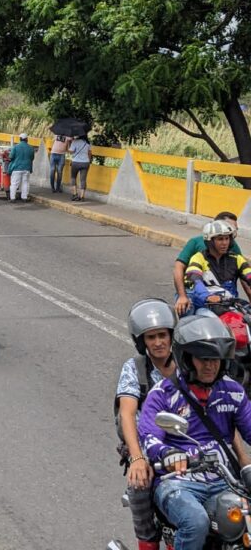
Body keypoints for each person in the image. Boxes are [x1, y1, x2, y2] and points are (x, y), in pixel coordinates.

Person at [138, 314, 251, 550]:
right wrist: (168, 453)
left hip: (225, 481)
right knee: (195, 522)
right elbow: (149, 437)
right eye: (202, 358)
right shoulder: (162, 394)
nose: (210, 365)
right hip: (178, 484)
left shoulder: (233, 392)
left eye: (215, 359)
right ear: (186, 358)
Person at [115, 299, 177, 550]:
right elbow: (127, 414)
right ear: (142, 342)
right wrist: (138, 458)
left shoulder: (188, 364)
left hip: (188, 445)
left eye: (162, 335)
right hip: (147, 448)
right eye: (151, 337)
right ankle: (147, 543)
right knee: (139, 486)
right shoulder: (135, 369)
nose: (159, 342)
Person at [173, 211, 245, 316]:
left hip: (224, 296)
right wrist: (182, 296)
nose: (225, 242)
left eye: (227, 238)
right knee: (187, 311)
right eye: (220, 238)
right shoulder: (196, 247)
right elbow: (183, 270)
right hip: (195, 293)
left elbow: (245, 275)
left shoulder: (233, 249)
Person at [8, 133, 34, 202]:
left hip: (17, 168)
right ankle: (24, 197)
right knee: (25, 183)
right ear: (27, 140)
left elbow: (11, 157)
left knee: (14, 183)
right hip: (27, 168)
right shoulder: (31, 148)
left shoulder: (16, 147)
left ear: (20, 139)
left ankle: (12, 198)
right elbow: (32, 158)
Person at [69, 135, 92, 201]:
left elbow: (71, 152)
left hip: (75, 162)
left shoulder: (75, 141)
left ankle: (75, 194)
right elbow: (89, 153)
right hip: (85, 163)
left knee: (73, 178)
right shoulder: (88, 143)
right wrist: (89, 161)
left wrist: (70, 143)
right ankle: (82, 196)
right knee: (83, 180)